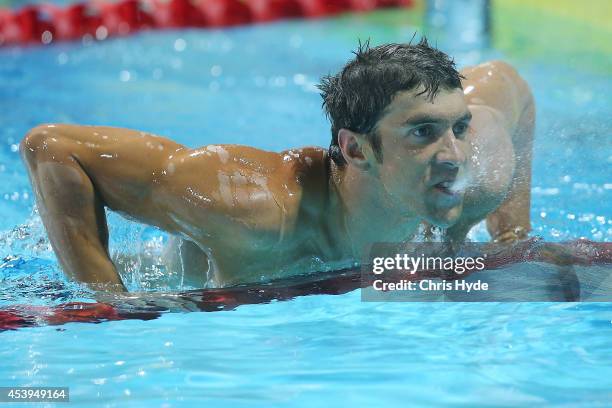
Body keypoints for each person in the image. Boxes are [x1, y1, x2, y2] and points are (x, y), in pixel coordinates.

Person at [20, 39, 534, 292]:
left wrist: (512, 237)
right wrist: (108, 302)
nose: (455, 156)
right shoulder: (250, 209)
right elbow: (52, 147)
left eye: (458, 128)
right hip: (175, 273)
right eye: (423, 132)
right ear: (357, 150)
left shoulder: (479, 173)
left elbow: (506, 81)